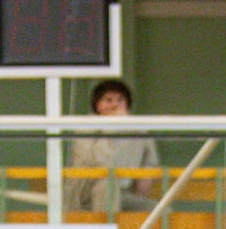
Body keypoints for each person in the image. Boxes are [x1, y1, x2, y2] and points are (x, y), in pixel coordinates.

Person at [66, 79, 159, 215]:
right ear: (97, 105)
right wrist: (113, 128)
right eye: (108, 100)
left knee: (160, 210)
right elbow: (96, 162)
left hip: (123, 192)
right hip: (86, 192)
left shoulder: (137, 128)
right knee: (107, 186)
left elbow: (150, 159)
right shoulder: (86, 127)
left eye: (120, 100)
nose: (115, 105)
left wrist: (146, 175)